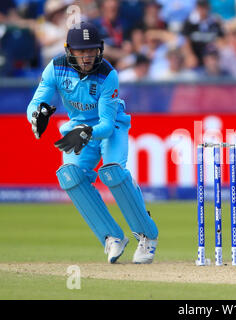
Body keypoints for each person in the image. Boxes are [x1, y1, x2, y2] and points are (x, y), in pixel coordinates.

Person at [26, 22, 159, 264]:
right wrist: (36, 116)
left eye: (91, 50)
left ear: (99, 50)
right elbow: (36, 104)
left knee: (112, 173)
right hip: (77, 126)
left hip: (110, 127)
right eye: (80, 50)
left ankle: (147, 235)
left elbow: (106, 126)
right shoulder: (55, 68)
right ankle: (111, 237)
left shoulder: (108, 74)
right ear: (69, 51)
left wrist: (86, 133)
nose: (87, 56)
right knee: (70, 175)